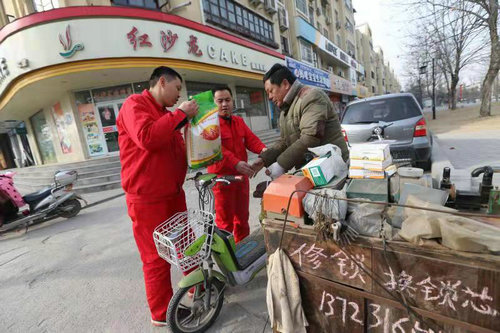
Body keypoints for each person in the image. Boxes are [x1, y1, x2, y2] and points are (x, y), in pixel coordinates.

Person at [116, 66, 199, 327]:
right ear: (162, 82)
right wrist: (180, 114)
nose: (179, 96)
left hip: (172, 193)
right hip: (147, 198)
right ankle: (161, 312)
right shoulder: (135, 105)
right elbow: (147, 138)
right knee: (155, 257)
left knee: (188, 244)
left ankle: (198, 287)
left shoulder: (166, 115)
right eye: (177, 89)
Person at [252, 63, 349, 179]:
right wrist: (264, 158)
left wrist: (281, 165)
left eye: (271, 91)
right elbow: (284, 141)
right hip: (315, 171)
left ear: (285, 84)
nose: (269, 97)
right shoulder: (285, 110)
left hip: (334, 168)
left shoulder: (312, 96)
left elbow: (310, 138)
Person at [207, 86, 266, 243]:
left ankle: (243, 249)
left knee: (242, 218)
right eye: (220, 101)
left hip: (241, 179)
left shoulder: (238, 121)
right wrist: (235, 162)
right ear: (214, 103)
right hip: (222, 180)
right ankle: (229, 259)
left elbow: (251, 140)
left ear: (233, 102)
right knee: (224, 223)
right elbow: (216, 147)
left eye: (228, 100)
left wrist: (264, 151)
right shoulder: (209, 125)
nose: (224, 104)